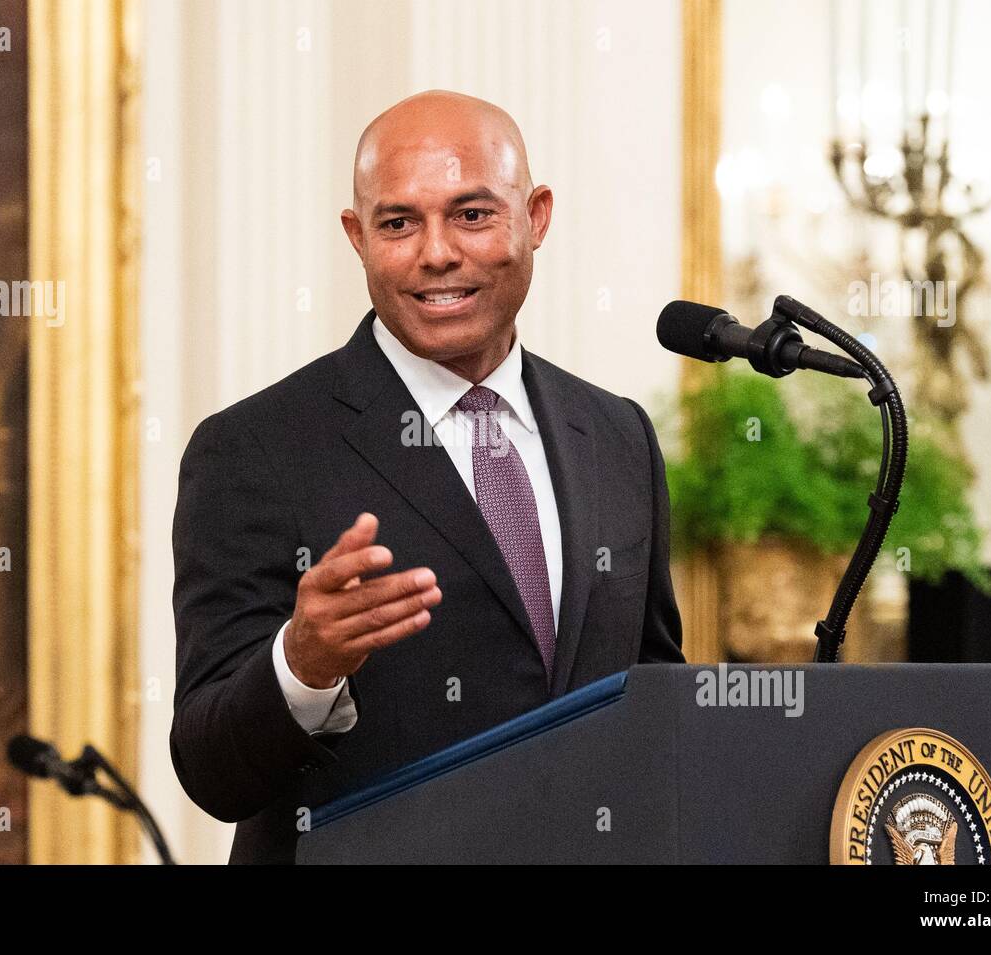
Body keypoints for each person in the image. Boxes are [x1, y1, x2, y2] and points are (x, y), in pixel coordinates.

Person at [171, 90, 684, 864]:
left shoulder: (616, 436)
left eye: (473, 214)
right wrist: (302, 666)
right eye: (399, 222)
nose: (436, 252)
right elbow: (210, 768)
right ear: (357, 236)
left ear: (536, 217)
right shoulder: (254, 449)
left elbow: (654, 702)